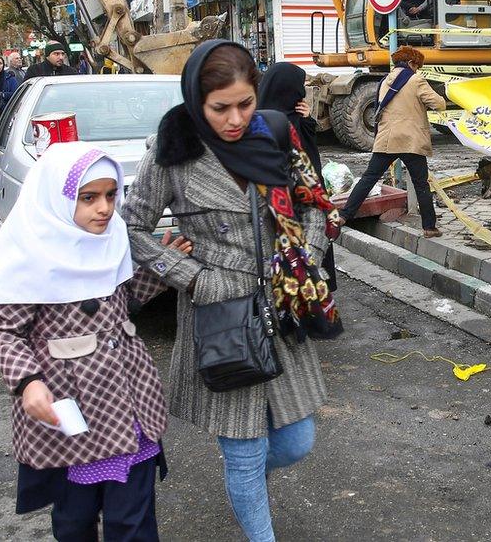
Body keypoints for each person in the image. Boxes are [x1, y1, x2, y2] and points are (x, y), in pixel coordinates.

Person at [123, 40, 343, 542]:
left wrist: (303, 257)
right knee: (243, 451)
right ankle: (253, 511)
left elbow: (315, 204)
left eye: (245, 103)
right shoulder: (172, 151)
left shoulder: (276, 134)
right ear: (196, 101)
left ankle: (250, 488)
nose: (235, 119)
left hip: (281, 305)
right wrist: (192, 276)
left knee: (295, 441)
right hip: (219, 310)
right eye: (220, 108)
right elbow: (132, 228)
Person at [0, 142, 193, 541]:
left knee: (132, 522)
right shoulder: (32, 258)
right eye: (88, 197)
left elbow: (122, 301)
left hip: (129, 404)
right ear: (58, 198)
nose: (104, 208)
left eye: (111, 195)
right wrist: (28, 383)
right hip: (73, 416)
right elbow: (4, 333)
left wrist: (160, 270)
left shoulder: (111, 239)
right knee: (74, 522)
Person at [338, 46, 446, 237]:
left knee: (368, 178)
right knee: (421, 184)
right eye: (417, 66)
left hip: (387, 140)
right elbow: (439, 104)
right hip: (411, 141)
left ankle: (344, 215)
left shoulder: (383, 81)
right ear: (412, 63)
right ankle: (429, 227)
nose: (417, 70)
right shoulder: (416, 79)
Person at [258, 62, 338, 291]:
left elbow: (311, 157)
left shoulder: (277, 118)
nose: (302, 91)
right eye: (299, 86)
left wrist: (307, 120)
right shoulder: (271, 124)